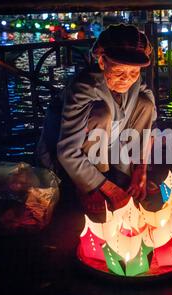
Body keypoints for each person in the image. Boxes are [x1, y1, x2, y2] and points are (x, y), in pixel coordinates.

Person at [37, 24, 157, 214]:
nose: (127, 79)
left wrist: (141, 168)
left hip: (110, 145)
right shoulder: (84, 88)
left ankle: (124, 172)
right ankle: (90, 183)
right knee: (102, 113)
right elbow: (67, 151)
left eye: (134, 72)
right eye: (119, 72)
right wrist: (106, 188)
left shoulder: (135, 82)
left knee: (145, 105)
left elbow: (148, 116)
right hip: (72, 153)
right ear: (102, 62)